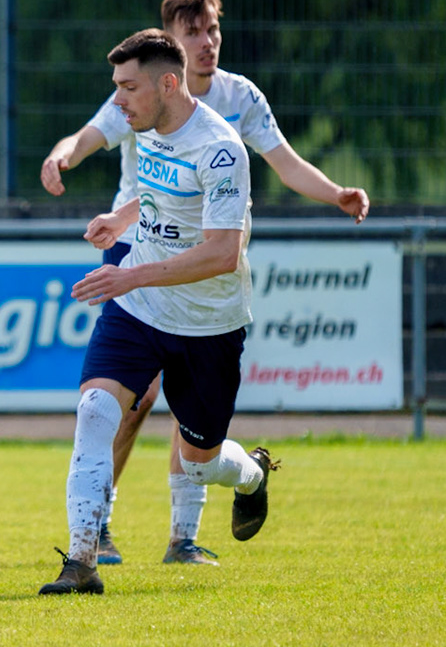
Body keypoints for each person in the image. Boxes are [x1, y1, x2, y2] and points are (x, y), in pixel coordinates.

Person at [40, 0, 364, 565]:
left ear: (169, 80)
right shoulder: (140, 102)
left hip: (206, 296)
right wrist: (111, 208)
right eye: (194, 32)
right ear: (172, 42)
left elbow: (242, 219)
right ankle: (87, 549)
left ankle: (217, 503)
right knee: (107, 407)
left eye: (212, 29)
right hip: (138, 268)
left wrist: (335, 192)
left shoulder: (225, 128)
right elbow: (135, 169)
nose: (207, 41)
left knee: (200, 458)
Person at [42, 29, 278, 596]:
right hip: (139, 308)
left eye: (128, 87)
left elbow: (223, 253)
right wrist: (122, 220)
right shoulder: (147, 128)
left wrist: (129, 274)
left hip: (207, 324)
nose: (118, 100)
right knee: (96, 410)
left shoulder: (221, 150)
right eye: (116, 87)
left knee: (199, 463)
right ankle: (81, 561)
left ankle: (251, 475)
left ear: (168, 84)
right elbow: (156, 190)